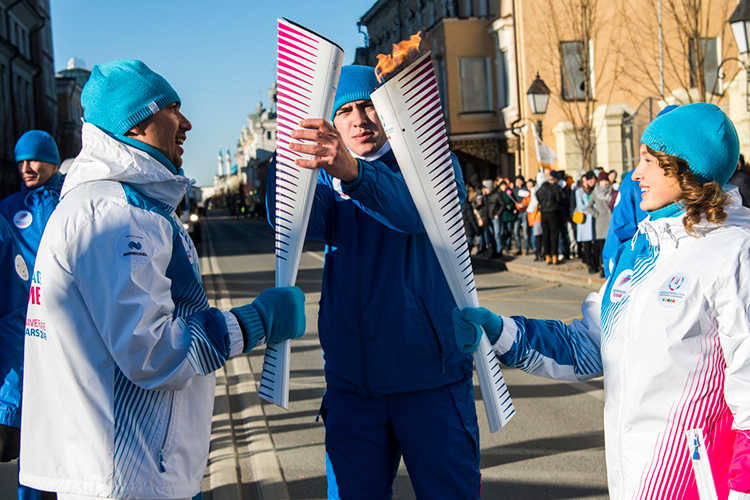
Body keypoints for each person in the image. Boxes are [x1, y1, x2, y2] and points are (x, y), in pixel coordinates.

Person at [18, 59, 306, 500]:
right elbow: (151, 351)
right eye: (173, 108)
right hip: (126, 473)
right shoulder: (115, 217)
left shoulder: (111, 205)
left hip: (121, 466)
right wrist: (258, 322)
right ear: (134, 126)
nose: (187, 123)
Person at [453, 103, 750, 500]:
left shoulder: (735, 252)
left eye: (648, 161)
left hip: (698, 481)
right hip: (631, 477)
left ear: (684, 169)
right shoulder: (641, 252)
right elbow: (588, 346)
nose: (636, 173)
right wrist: (500, 332)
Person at [267, 65, 479, 499]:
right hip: (351, 387)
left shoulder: (432, 159)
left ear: (389, 110)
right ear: (332, 123)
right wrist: (287, 158)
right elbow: (295, 221)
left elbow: (414, 214)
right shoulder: (325, 177)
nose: (359, 119)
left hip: (430, 382)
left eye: (369, 106)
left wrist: (356, 174)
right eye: (344, 111)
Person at [585, 170, 614, 277]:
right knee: (602, 247)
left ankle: (611, 268)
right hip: (601, 224)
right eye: (602, 181)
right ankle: (603, 268)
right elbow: (589, 206)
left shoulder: (612, 191)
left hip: (611, 222)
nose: (605, 183)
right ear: (599, 182)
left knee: (612, 245)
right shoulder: (595, 193)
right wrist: (596, 214)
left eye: (606, 180)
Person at [535, 169, 563, 264]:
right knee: (554, 235)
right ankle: (555, 256)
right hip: (553, 213)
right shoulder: (554, 188)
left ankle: (547, 256)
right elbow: (560, 199)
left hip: (543, 213)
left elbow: (539, 201)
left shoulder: (538, 191)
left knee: (545, 235)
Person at [574, 171, 596, 273]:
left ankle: (595, 263)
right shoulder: (579, 192)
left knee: (594, 243)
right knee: (586, 243)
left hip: (593, 219)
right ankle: (589, 263)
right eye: (584, 181)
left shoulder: (593, 191)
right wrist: (590, 206)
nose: (586, 183)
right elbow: (581, 206)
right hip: (585, 219)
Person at [511, 176, 531, 255]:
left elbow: (529, 200)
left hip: (524, 212)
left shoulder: (526, 189)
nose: (518, 182)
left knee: (525, 231)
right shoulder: (515, 190)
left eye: (520, 180)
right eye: (517, 181)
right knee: (516, 231)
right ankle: (518, 248)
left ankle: (526, 249)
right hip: (517, 213)